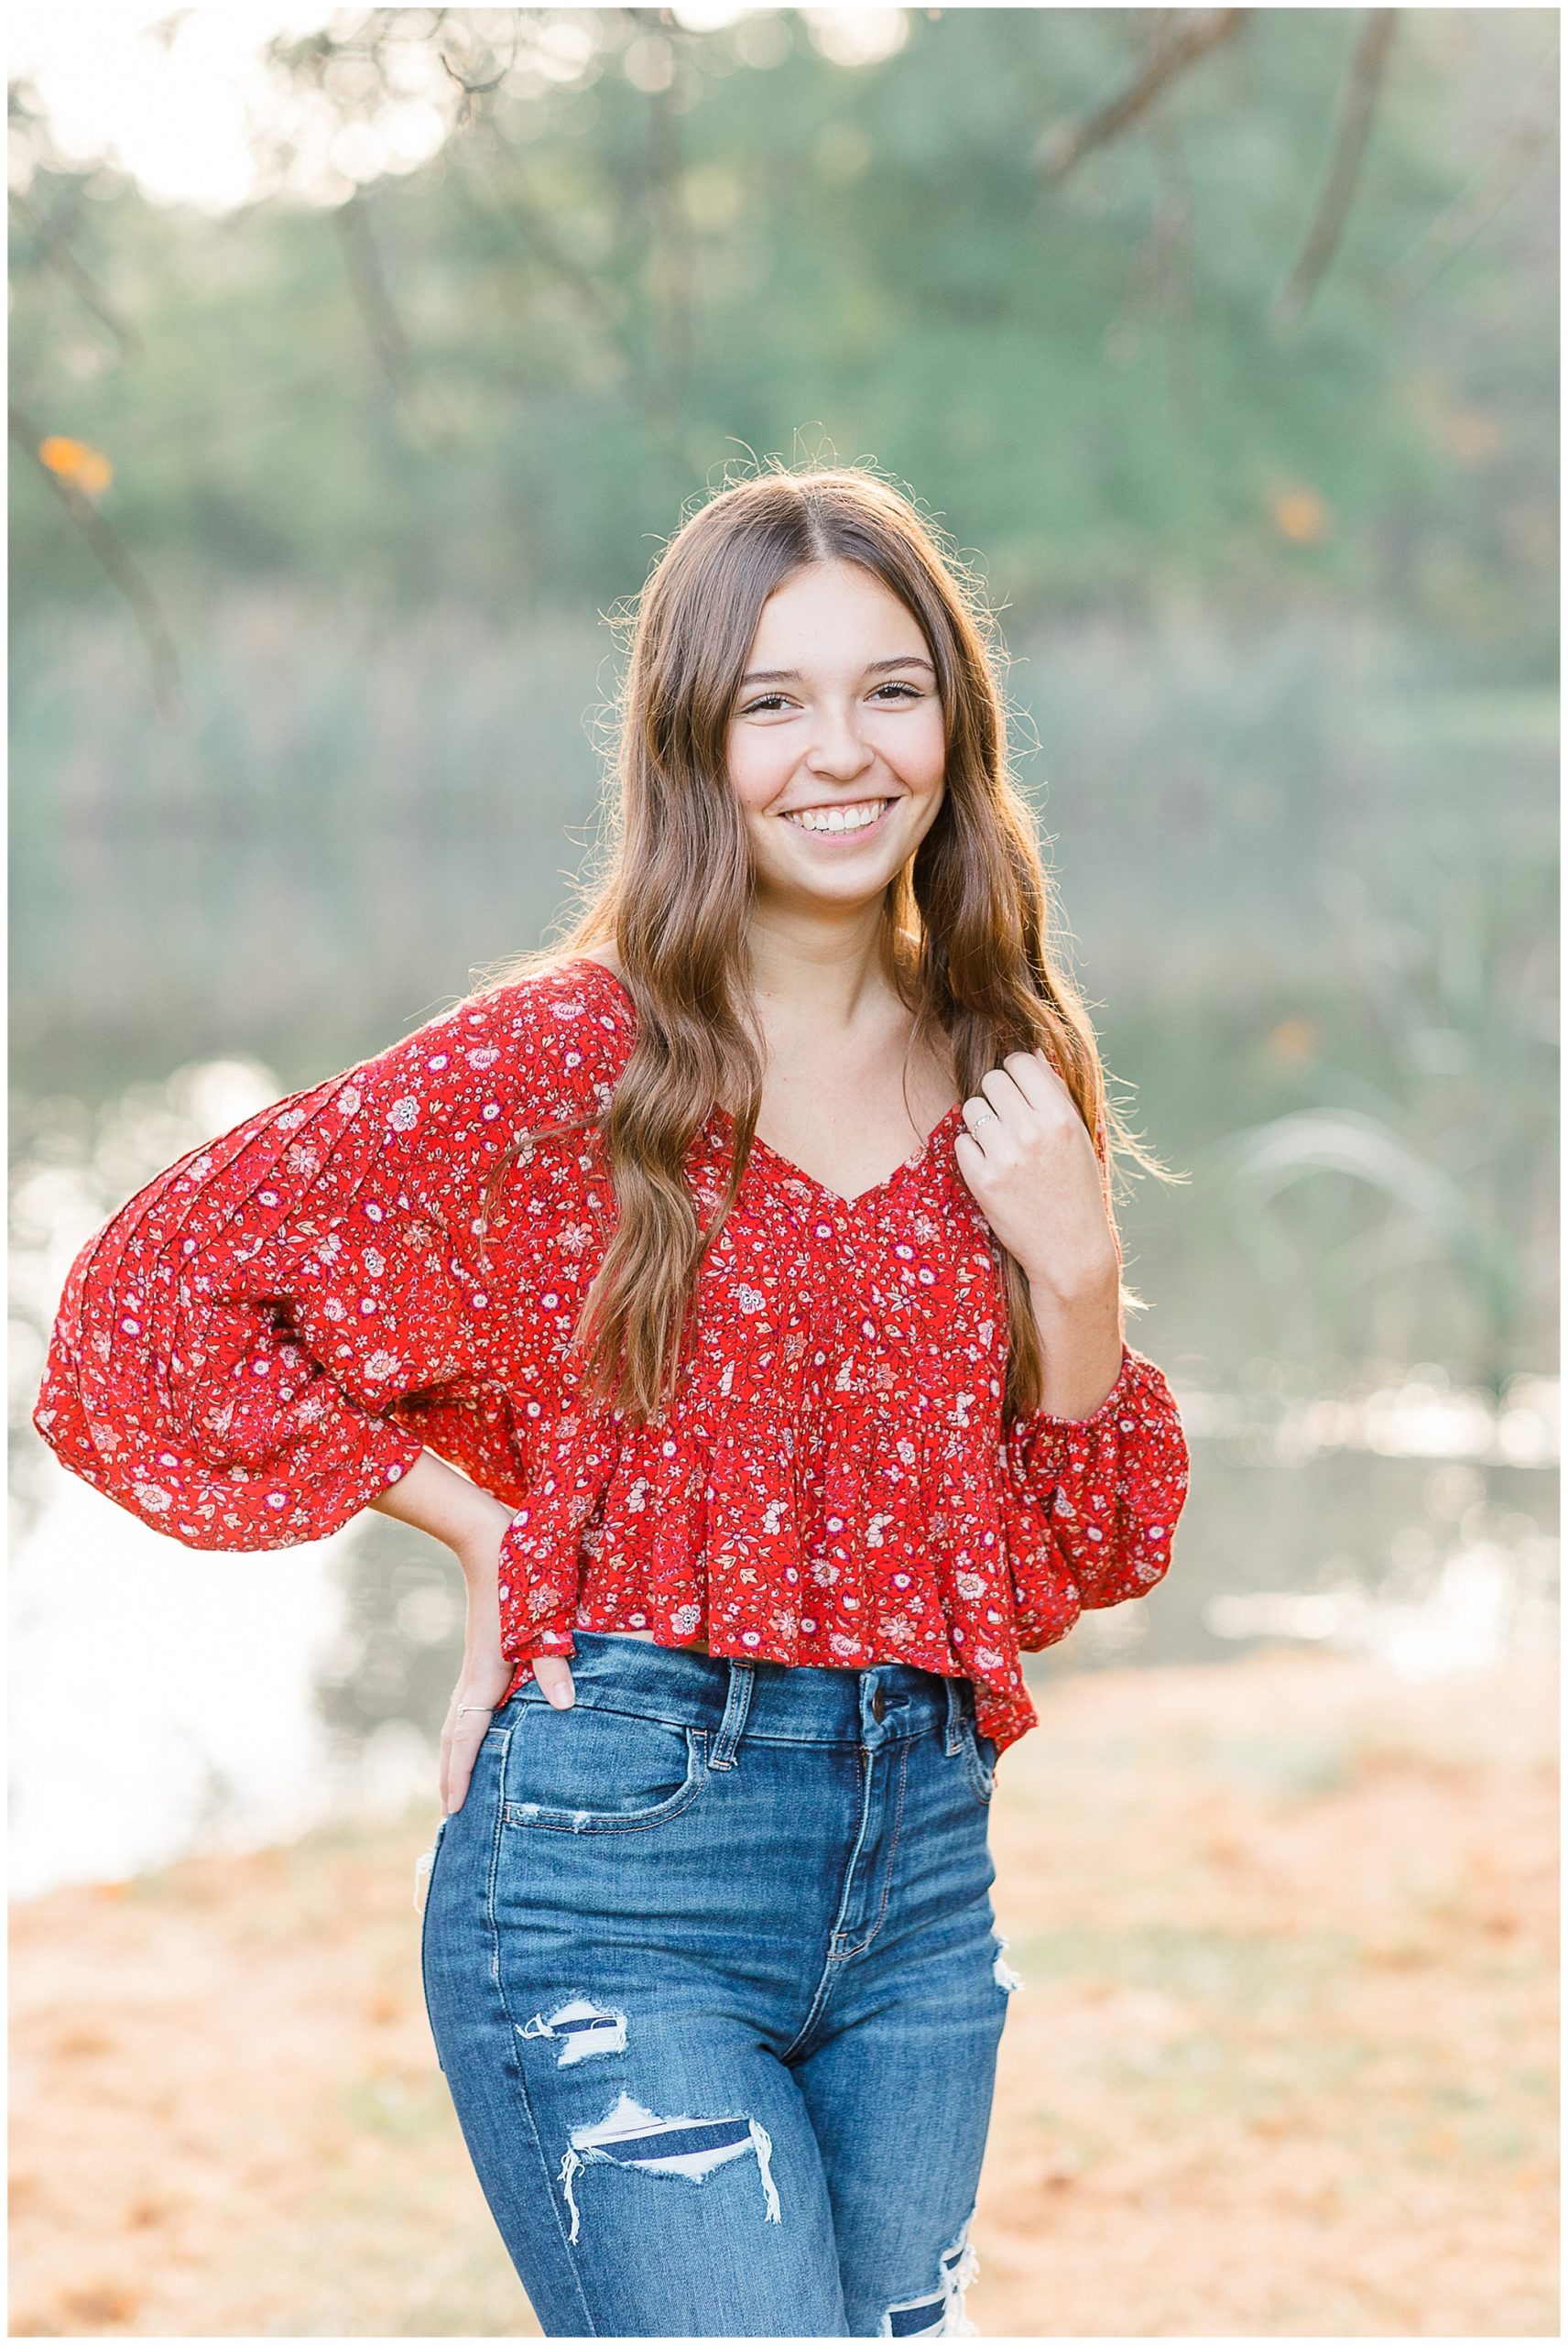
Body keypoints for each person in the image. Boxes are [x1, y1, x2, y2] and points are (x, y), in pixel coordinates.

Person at [33, 462, 1190, 2340]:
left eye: (890, 689)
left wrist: (1073, 1268)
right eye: (774, 700)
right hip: (614, 1861)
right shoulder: (579, 1050)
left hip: (920, 1883)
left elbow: (1060, 1550)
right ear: (690, 743)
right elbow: (147, 1306)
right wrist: (493, 1531)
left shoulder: (1004, 1058)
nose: (842, 750)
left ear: (956, 726)